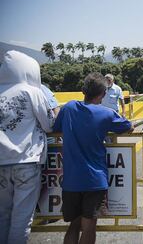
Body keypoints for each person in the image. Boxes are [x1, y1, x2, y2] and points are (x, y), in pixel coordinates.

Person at [53, 72, 133, 244]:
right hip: (94, 181)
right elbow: (128, 126)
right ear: (103, 94)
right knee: (89, 228)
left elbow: (55, 126)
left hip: (71, 181)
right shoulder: (106, 113)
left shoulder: (68, 108)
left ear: (83, 91)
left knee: (73, 226)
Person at [0, 51, 55, 244]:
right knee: (21, 220)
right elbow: (49, 124)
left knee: (2, 217)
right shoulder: (32, 92)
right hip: (27, 161)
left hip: (1, 162)